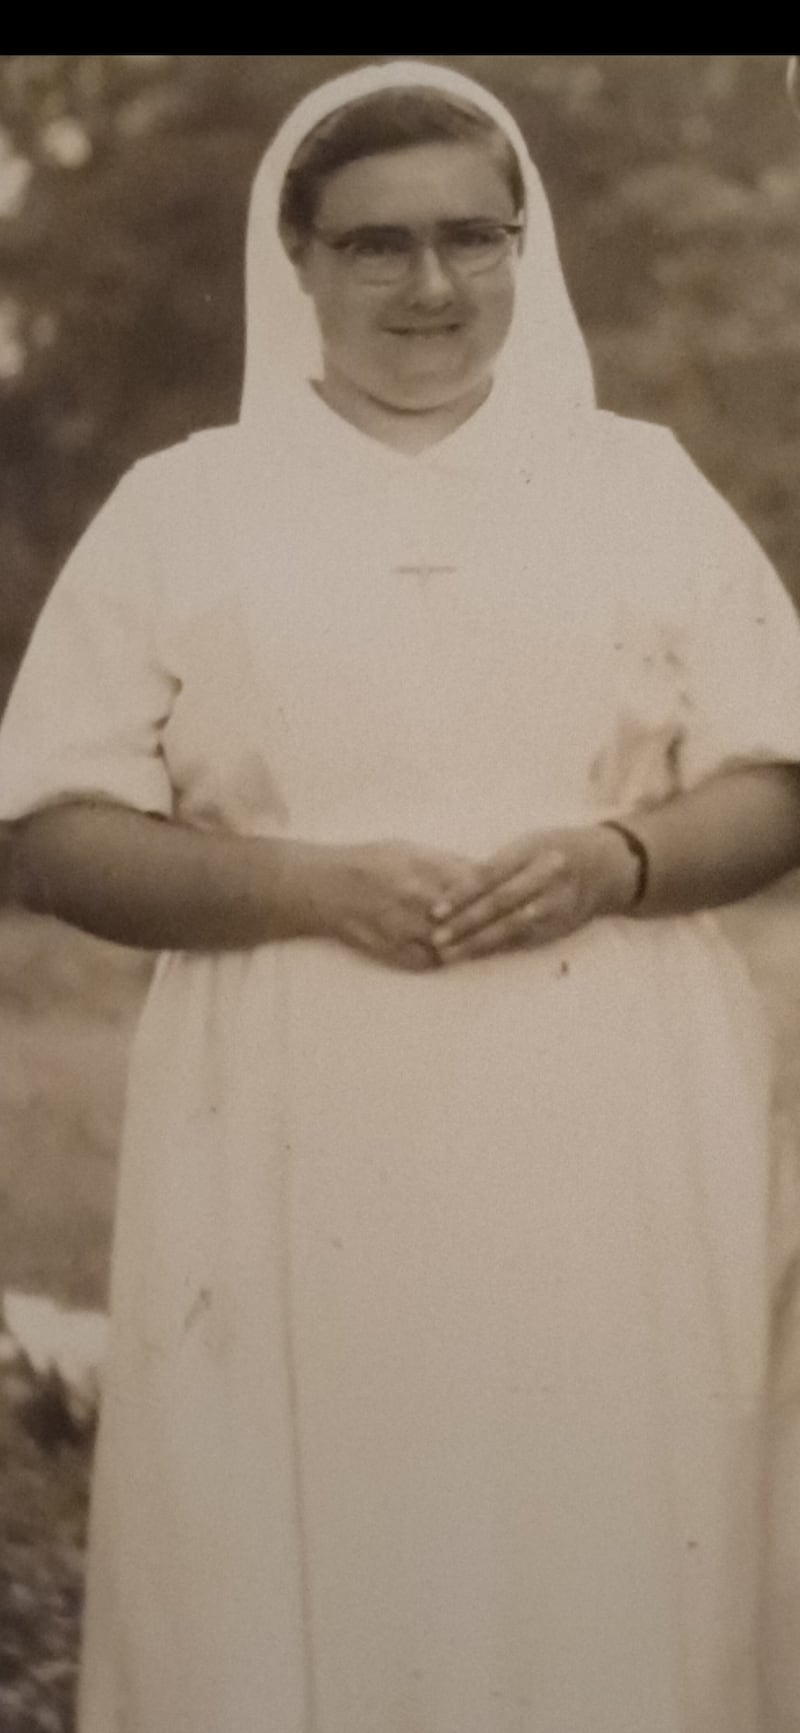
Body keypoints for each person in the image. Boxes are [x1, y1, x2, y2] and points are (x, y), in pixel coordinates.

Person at [1, 56, 800, 1733]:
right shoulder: (184, 509)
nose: (431, 285)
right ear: (293, 259)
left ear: (526, 247)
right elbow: (53, 824)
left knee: (601, 1507)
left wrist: (621, 858)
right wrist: (302, 884)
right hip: (289, 1109)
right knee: (308, 1518)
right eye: (376, 245)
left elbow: (777, 779)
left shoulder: (638, 486)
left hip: (610, 1106)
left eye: (471, 236)